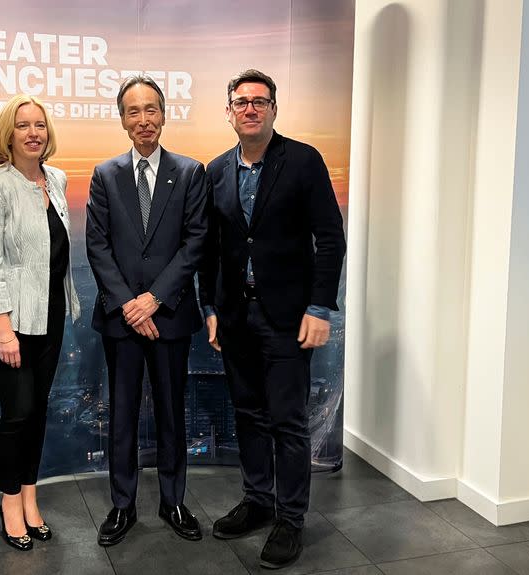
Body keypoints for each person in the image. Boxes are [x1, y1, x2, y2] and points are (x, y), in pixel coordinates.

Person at [199, 69, 346, 569]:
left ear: (274, 110)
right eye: (241, 102)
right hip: (237, 317)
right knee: (249, 415)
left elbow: (330, 238)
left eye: (260, 101)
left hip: (287, 317)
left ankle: (290, 518)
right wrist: (211, 307)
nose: (251, 109)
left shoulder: (303, 161)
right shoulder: (215, 171)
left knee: (287, 420)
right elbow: (211, 250)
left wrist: (320, 307)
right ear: (229, 111)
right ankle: (258, 501)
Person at [85, 75, 208, 546]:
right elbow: (98, 246)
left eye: (151, 109)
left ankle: (174, 500)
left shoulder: (190, 172)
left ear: (164, 114)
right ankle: (123, 505)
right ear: (122, 120)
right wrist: (130, 306)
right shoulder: (105, 175)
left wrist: (154, 299)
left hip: (170, 314)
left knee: (173, 412)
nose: (144, 120)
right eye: (133, 112)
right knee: (122, 415)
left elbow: (196, 242)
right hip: (121, 319)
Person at [0, 93, 80, 551]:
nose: (34, 133)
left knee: (38, 412)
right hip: (9, 320)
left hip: (50, 313)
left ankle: (31, 498)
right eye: (23, 126)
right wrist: (4, 327)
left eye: (40, 124)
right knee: (17, 414)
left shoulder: (57, 179)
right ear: (7, 135)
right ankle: (9, 503)